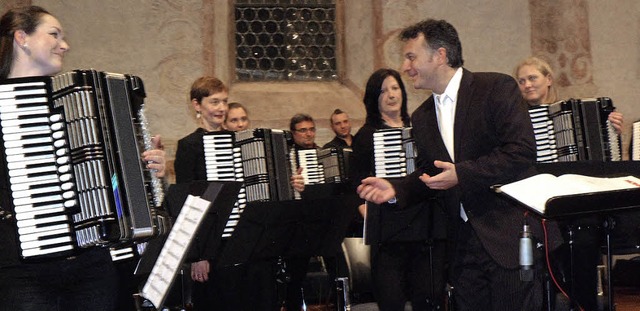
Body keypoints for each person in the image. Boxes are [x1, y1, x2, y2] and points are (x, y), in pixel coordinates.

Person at [357, 19, 556, 311]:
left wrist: (461, 174)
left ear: (439, 55)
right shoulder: (423, 116)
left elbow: (521, 152)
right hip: (462, 247)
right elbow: (432, 171)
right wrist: (396, 188)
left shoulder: (495, 87)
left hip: (508, 236)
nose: (405, 66)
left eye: (411, 56)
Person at [0, 6, 166, 311]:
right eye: (54, 34)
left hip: (92, 264)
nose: (65, 45)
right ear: (21, 37)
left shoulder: (79, 100)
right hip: (23, 271)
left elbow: (112, 180)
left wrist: (148, 171)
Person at [514, 56, 625, 310]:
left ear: (548, 79)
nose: (527, 85)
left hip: (578, 207)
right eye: (521, 81)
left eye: (533, 78)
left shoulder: (579, 110)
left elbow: (608, 163)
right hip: (538, 206)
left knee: (584, 238)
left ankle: (583, 303)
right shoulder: (515, 121)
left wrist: (613, 132)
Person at [350, 68, 447, 310]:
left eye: (395, 88)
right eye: (383, 90)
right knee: (391, 301)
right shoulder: (365, 136)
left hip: (425, 229)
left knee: (428, 298)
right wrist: (367, 211)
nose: (391, 95)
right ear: (374, 98)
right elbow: (356, 184)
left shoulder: (421, 127)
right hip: (388, 232)